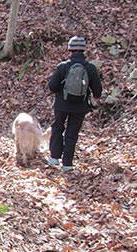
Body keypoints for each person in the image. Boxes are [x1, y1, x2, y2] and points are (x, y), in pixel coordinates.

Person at [47, 35, 102, 172]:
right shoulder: (90, 68)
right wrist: (93, 98)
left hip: (61, 105)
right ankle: (67, 164)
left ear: (70, 50)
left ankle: (54, 158)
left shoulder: (63, 66)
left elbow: (52, 86)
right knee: (72, 133)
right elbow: (98, 91)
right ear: (83, 51)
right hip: (80, 107)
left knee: (58, 128)